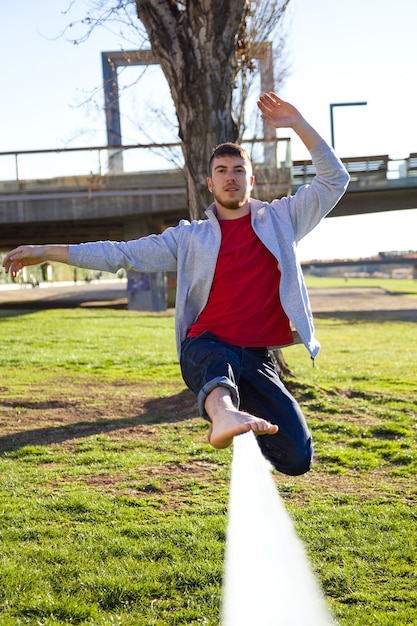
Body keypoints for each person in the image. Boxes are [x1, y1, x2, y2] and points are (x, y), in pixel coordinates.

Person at [2, 93, 349, 476]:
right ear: (209, 182)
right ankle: (224, 413)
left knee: (297, 457)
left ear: (251, 179)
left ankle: (235, 420)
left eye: (237, 170)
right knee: (217, 366)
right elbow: (121, 253)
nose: (230, 177)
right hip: (207, 344)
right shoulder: (189, 238)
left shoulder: (283, 218)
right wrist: (48, 250)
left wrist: (298, 122)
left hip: (255, 357)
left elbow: (335, 179)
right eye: (221, 171)